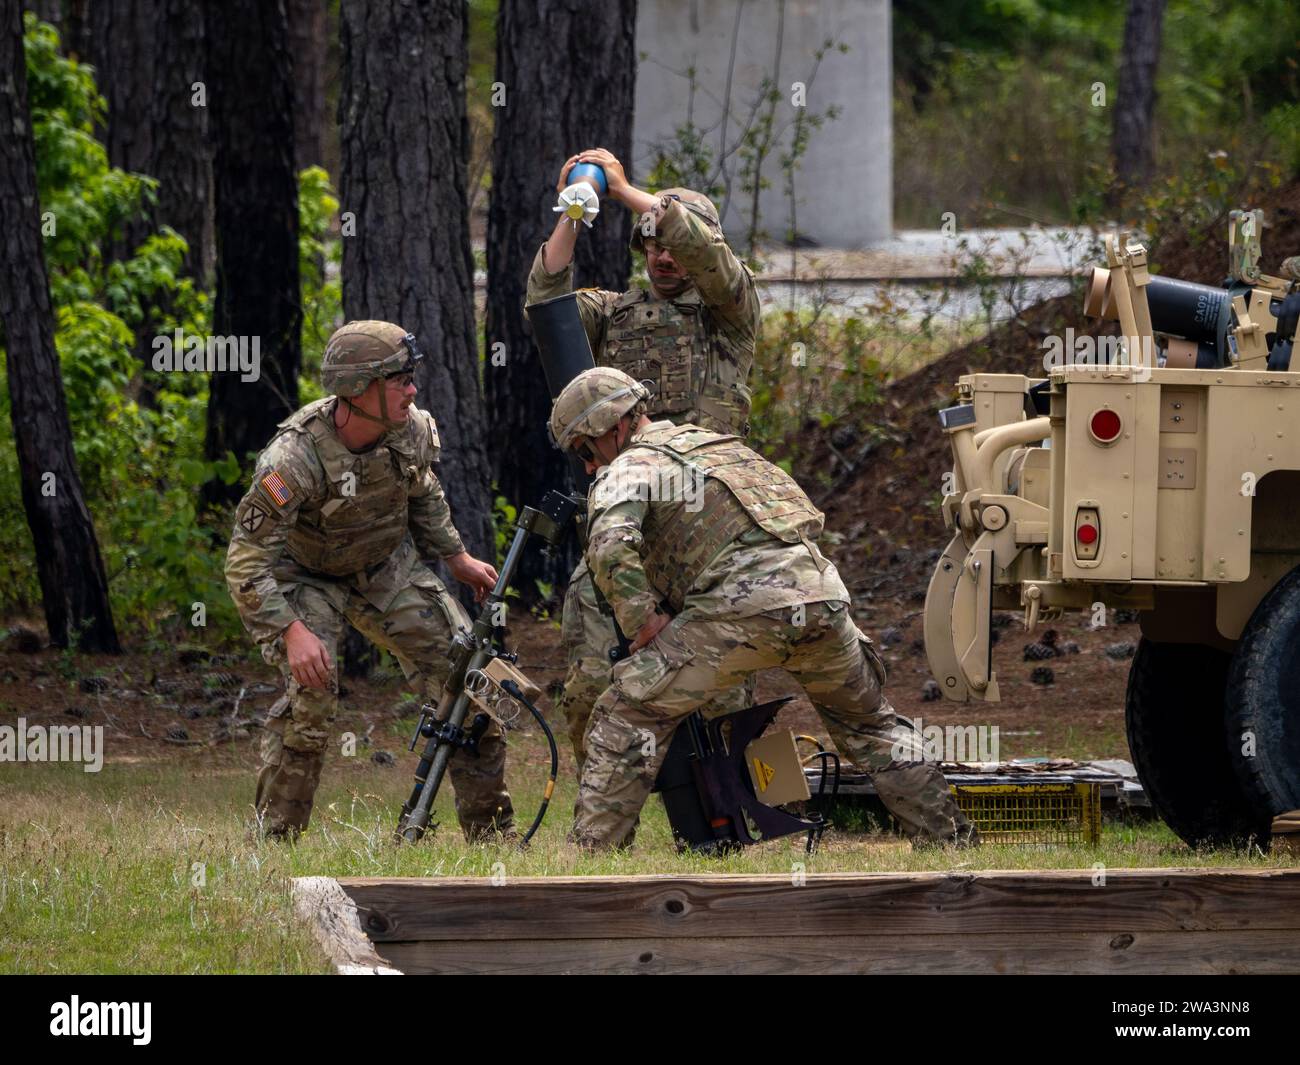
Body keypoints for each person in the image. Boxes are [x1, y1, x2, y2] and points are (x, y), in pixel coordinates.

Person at [548, 367, 979, 851]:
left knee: (624, 714)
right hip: (821, 598)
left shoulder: (632, 464)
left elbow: (608, 546)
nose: (588, 466)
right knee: (871, 726)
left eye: (585, 450)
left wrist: (642, 622)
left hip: (743, 610)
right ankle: (951, 848)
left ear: (615, 428)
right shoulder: (721, 448)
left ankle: (589, 859)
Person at [225, 320, 513, 841]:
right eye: (400, 379)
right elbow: (245, 564)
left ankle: (493, 837)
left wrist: (457, 557)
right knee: (311, 697)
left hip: (384, 564)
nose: (413, 389)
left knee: (471, 678)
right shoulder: (292, 460)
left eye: (411, 377)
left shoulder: (411, 429)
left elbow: (423, 491)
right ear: (358, 390)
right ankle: (273, 845)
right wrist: (292, 632)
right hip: (306, 575)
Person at [525, 147, 761, 769]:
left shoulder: (729, 314)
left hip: (709, 528)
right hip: (626, 528)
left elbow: (710, 258)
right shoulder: (614, 312)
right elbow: (546, 303)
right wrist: (574, 211)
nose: (660, 254)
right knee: (586, 677)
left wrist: (630, 190)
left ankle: (737, 809)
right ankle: (602, 807)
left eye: (669, 240)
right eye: (647, 243)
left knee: (726, 685)